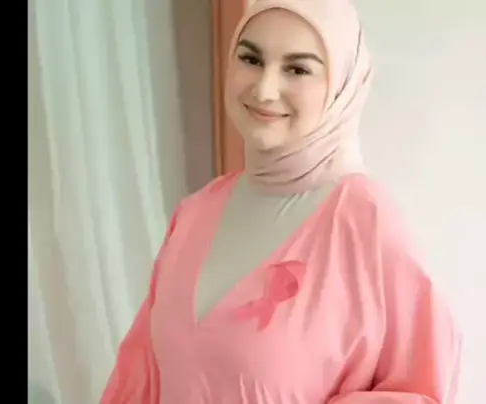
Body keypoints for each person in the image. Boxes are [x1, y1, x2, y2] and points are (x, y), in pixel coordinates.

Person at [101, 0, 462, 403]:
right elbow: (139, 379)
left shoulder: (365, 223)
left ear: (342, 84)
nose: (264, 89)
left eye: (298, 69)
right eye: (251, 59)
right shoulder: (195, 214)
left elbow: (420, 390)